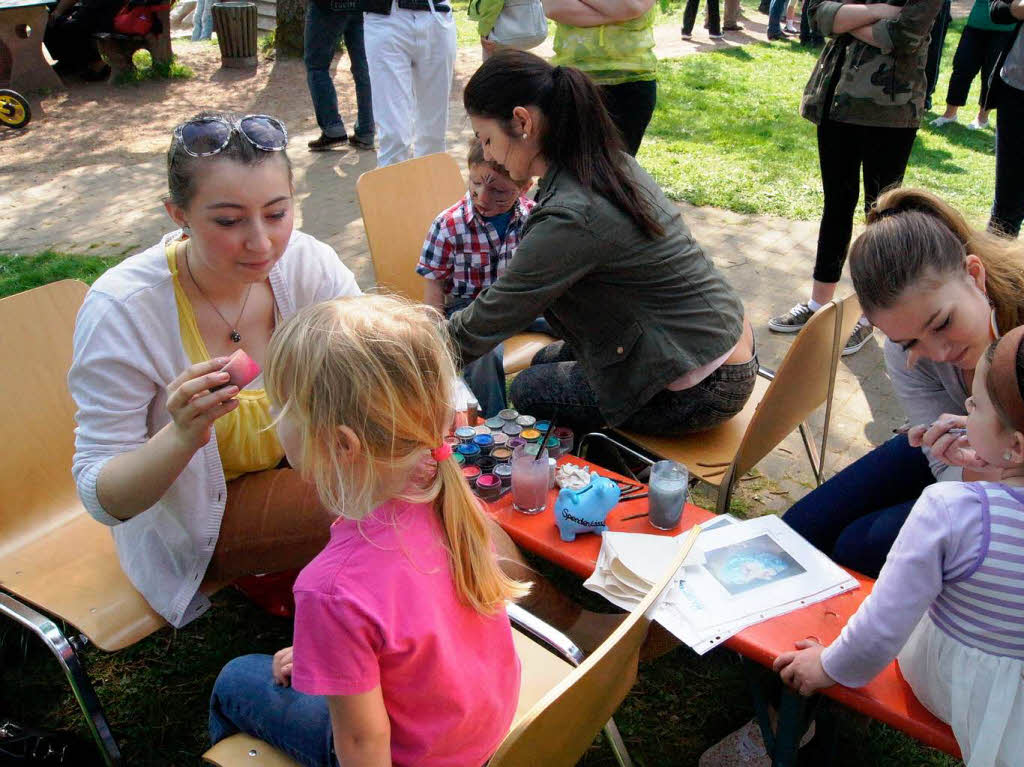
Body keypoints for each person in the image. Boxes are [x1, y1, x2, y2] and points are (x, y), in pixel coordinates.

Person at [68, 112, 362, 628]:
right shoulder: (125, 308)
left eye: (277, 213)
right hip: (196, 517)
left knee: (417, 468)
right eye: (228, 221)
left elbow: (374, 354)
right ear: (177, 214)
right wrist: (182, 434)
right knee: (374, 495)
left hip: (298, 471)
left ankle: (510, 641)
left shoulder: (304, 263)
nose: (262, 243)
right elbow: (104, 497)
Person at [209, 295, 526, 766]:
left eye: (281, 410)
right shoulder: (447, 501)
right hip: (477, 728)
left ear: (340, 443)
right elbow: (415, 626)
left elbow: (363, 748)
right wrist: (329, 651)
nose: (276, 423)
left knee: (236, 679)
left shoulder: (331, 590)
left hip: (415, 756)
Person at [455, 50, 757, 438]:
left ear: (522, 121)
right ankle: (601, 453)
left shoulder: (570, 215)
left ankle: (614, 470)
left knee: (530, 390)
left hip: (702, 387)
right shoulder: (607, 160)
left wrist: (397, 356)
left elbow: (489, 319)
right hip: (723, 341)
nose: (489, 153)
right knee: (543, 360)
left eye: (488, 139)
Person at [774, 326, 1024, 767]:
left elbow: (883, 626)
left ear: (1016, 446)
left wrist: (827, 667)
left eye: (977, 406)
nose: (965, 410)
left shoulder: (951, 509)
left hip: (952, 686)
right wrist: (993, 442)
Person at [782, 188, 1024, 578]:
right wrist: (969, 465)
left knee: (861, 547)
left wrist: (996, 464)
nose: (940, 352)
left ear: (975, 275)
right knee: (797, 532)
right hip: (973, 458)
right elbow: (940, 461)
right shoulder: (906, 353)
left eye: (943, 323)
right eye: (910, 342)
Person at [768, 0, 942, 356]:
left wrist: (846, 19)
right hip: (837, 102)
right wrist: (879, 10)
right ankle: (818, 305)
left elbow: (905, 34)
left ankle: (867, 315)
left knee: (881, 217)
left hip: (891, 110)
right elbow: (818, 14)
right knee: (836, 204)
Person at [417, 138, 534, 416]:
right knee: (480, 352)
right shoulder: (448, 225)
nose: (483, 197)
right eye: (476, 183)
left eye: (499, 191)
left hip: (519, 304)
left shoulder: (534, 218)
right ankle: (493, 426)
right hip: (470, 308)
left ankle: (563, 409)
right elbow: (433, 287)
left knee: (578, 322)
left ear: (524, 187)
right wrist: (435, 334)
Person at [544, 0, 660, 156]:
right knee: (570, 165)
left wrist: (624, 11)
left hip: (631, 80)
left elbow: (632, 7)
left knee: (618, 168)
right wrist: (618, 12)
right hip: (574, 80)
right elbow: (553, 8)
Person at [362, 0, 457, 167]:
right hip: (385, 16)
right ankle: (393, 192)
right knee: (394, 137)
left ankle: (429, 191)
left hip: (436, 12)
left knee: (433, 136)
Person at [930, 0, 1016, 130]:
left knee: (990, 74)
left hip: (1006, 28)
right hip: (976, 23)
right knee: (962, 67)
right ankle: (949, 114)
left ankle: (982, 119)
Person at [303, 0, 375, 152]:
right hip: (362, 6)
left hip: (327, 7)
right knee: (363, 68)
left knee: (317, 66)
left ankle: (333, 128)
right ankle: (366, 129)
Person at [986, 0, 1024, 238]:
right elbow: (996, 10)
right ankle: (996, 273)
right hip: (1017, 93)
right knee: (1007, 207)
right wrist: (1017, 8)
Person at [44, 0, 120, 80]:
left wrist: (59, 13)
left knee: (71, 25)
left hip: (108, 12)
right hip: (96, 10)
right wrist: (57, 12)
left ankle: (97, 64)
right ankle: (68, 61)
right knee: (49, 20)